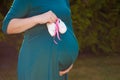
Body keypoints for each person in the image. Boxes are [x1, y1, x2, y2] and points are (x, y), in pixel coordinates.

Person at [2, 0, 79, 80]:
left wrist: (69, 59)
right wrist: (38, 19)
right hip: (37, 63)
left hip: (59, 67)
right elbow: (7, 26)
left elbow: (68, 27)